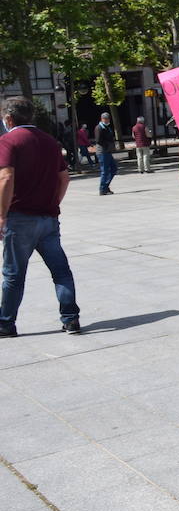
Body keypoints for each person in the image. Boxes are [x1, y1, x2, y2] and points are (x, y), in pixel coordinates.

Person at [0, 97, 80, 337]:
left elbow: (6, 177)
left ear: (9, 119)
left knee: (14, 274)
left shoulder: (8, 141)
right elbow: (64, 177)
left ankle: (6, 323)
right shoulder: (50, 142)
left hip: (19, 217)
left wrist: (2, 215)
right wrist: (53, 203)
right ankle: (71, 319)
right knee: (61, 270)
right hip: (48, 218)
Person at [95, 112, 117, 194]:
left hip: (107, 151)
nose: (107, 120)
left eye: (108, 118)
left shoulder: (106, 127)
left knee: (113, 168)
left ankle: (106, 185)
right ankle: (103, 189)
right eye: (105, 118)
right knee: (105, 170)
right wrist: (107, 145)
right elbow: (98, 140)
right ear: (102, 119)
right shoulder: (99, 128)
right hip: (102, 152)